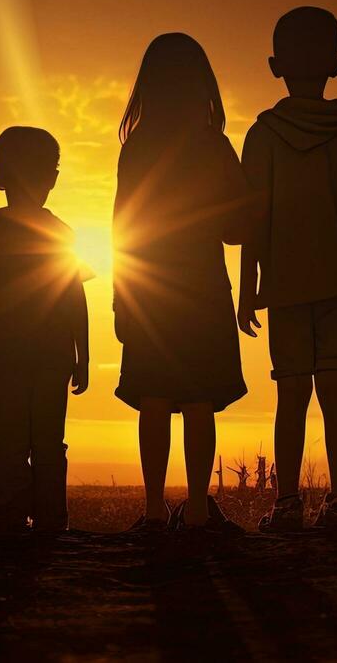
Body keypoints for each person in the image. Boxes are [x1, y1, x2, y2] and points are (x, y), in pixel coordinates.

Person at [238, 7, 337, 533]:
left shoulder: (262, 136)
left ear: (274, 65)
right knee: (336, 389)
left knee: (290, 393)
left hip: (281, 284)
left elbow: (250, 219)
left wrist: (246, 287)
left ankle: (286, 503)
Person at [113, 32, 251, 532]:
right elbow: (238, 230)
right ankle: (196, 508)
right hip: (203, 290)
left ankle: (152, 510)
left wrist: (120, 298)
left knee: (151, 399)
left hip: (146, 289)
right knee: (199, 401)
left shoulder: (138, 147)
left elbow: (121, 226)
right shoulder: (214, 145)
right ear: (203, 86)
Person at [0, 126, 92, 533]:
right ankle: (46, 518)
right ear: (52, 177)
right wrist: (81, 354)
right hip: (47, 356)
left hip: (7, 356)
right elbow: (76, 302)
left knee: (6, 444)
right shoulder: (61, 233)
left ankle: (11, 515)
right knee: (45, 443)